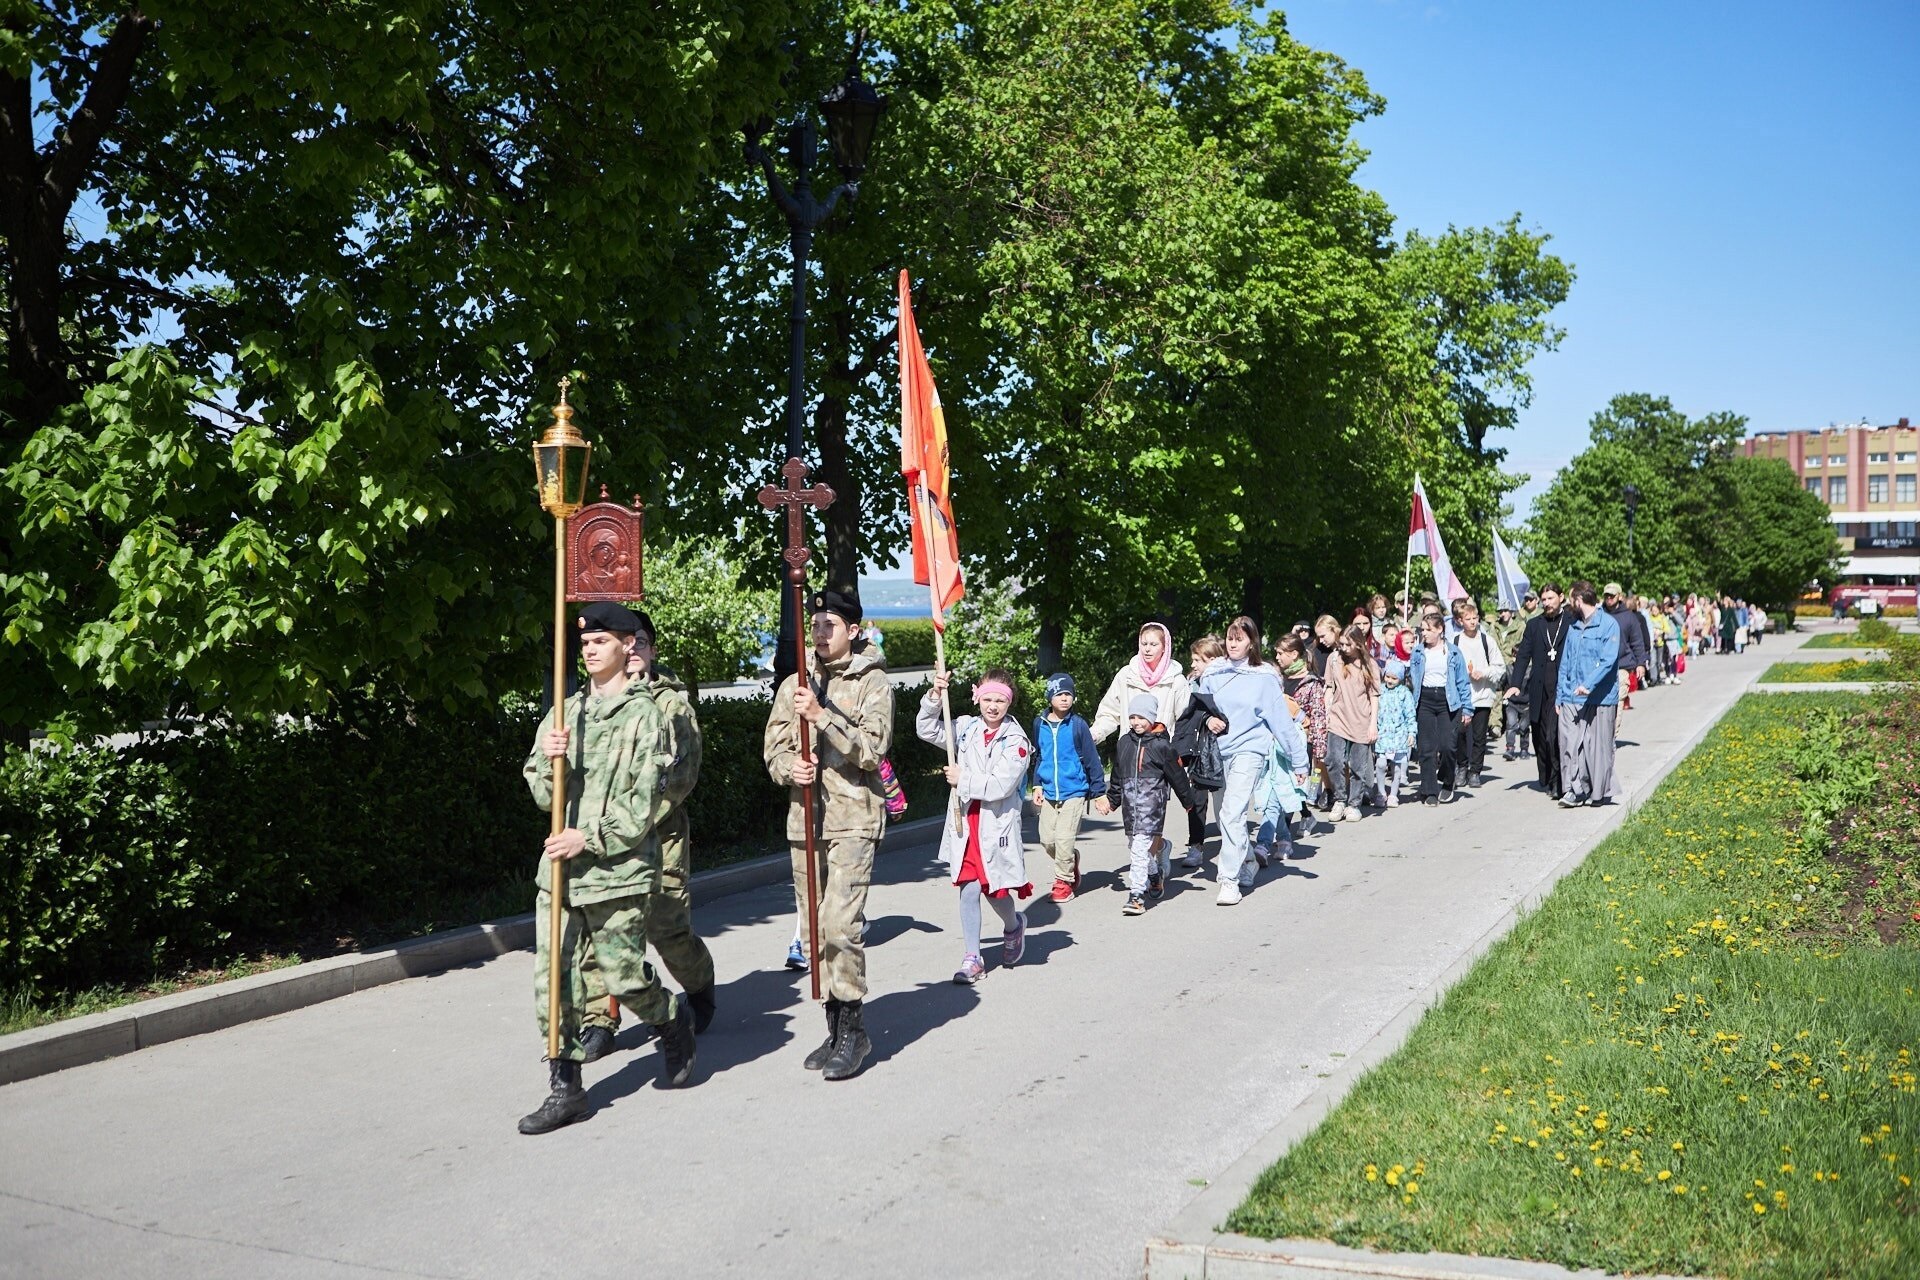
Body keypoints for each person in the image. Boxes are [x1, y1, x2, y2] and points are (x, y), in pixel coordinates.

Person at [518, 601, 696, 1135]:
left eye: (601, 641)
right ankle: (565, 1086)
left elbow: (643, 803)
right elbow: (539, 787)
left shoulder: (647, 715)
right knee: (555, 978)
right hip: (560, 872)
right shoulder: (565, 712)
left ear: (626, 646)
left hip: (616, 868)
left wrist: (588, 836)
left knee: (622, 974)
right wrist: (552, 764)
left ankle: (669, 1018)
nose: (591, 650)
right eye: (586, 643)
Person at [763, 589, 893, 1081]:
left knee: (840, 925)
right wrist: (788, 768)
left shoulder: (872, 682)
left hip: (853, 816)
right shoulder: (796, 682)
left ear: (852, 631)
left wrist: (823, 717)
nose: (819, 632)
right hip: (806, 820)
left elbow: (872, 749)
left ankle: (855, 1031)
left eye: (830, 624)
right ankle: (835, 1028)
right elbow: (773, 746)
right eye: (814, 623)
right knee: (816, 929)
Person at [576, 611, 717, 1064]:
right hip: (601, 841)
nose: (632, 649)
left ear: (652, 649)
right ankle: (599, 1019)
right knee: (597, 930)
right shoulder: (591, 703)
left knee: (666, 929)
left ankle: (698, 983)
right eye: (626, 641)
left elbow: (682, 775)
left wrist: (633, 820)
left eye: (640, 641)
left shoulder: (672, 705)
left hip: (659, 837)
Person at [920, 669, 1033, 984]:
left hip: (994, 825)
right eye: (988, 699)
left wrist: (962, 779)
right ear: (978, 697)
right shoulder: (966, 727)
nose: (993, 706)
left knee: (995, 891)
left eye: (1000, 700)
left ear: (1009, 703)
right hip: (966, 822)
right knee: (969, 889)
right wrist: (934, 696)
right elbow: (927, 729)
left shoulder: (1016, 741)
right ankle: (973, 957)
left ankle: (1013, 927)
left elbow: (1001, 785)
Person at [1194, 617, 1296, 905]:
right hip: (1217, 752)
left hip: (1249, 751)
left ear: (1252, 642)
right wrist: (1208, 718)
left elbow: (1281, 722)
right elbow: (1199, 708)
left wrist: (1299, 762)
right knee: (1227, 816)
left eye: (1239, 638)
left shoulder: (1264, 677)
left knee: (1232, 814)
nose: (1233, 643)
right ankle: (1248, 861)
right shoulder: (1214, 672)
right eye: (1229, 637)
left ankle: (1228, 880)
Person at [1096, 693, 1198, 915]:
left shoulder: (1162, 746)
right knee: (1136, 848)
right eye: (1132, 717)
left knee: (1140, 849)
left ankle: (1136, 896)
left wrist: (1188, 802)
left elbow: (1177, 776)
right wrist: (1113, 800)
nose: (1136, 722)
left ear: (1152, 718)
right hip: (1130, 807)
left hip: (1152, 805)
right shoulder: (1124, 742)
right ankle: (1154, 875)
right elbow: (1117, 775)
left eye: (1141, 717)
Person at [1028, 672, 1105, 901]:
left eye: (1068, 694)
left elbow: (1092, 759)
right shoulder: (1038, 724)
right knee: (1047, 840)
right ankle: (1070, 859)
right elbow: (1039, 756)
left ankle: (1064, 882)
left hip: (1074, 791)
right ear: (1049, 697)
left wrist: (1099, 792)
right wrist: (1037, 785)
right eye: (1059, 694)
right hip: (1050, 791)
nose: (1064, 699)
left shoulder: (1078, 725)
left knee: (1063, 839)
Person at [1556, 581, 1622, 807]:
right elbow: (1565, 663)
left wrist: (1589, 684)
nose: (1569, 603)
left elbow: (1608, 660)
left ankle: (1599, 792)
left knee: (1598, 748)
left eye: (1571, 599)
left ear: (1579, 599)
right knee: (1570, 745)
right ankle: (1574, 790)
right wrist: (1560, 695)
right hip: (1571, 697)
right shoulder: (1574, 627)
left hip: (1601, 697)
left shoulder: (1608, 625)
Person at [1505, 582, 1570, 800]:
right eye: (1544, 599)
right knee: (1540, 737)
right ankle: (1547, 775)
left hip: (1561, 690)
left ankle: (1558, 781)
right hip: (1539, 688)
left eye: (1551, 598)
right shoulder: (1534, 625)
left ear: (1561, 597)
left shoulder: (1571, 622)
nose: (1547, 603)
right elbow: (1523, 655)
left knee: (1553, 736)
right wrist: (1515, 683)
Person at [1172, 636, 1228, 870]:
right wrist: (1205, 719)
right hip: (1198, 750)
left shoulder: (1227, 682)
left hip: (1224, 750)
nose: (1193, 664)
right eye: (1193, 659)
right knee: (1197, 799)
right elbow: (1187, 715)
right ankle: (1196, 845)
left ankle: (1231, 845)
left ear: (1213, 660)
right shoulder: (1190, 685)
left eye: (1198, 660)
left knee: (1223, 801)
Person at [1090, 621, 1190, 745]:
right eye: (1144, 644)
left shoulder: (1177, 680)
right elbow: (1109, 713)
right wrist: (1095, 734)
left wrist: (1178, 756)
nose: (1147, 649)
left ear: (1165, 647)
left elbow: (1185, 722)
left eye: (1153, 644)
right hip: (1130, 752)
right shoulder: (1126, 675)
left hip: (1162, 756)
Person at [1408, 613, 1472, 805]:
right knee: (1426, 749)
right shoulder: (1418, 652)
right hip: (1425, 700)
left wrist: (1467, 709)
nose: (1424, 633)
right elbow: (1413, 678)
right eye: (1422, 629)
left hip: (1448, 701)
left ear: (1439, 630)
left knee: (1447, 746)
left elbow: (1462, 681)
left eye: (1428, 629)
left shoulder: (1453, 652)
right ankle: (1429, 791)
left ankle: (1447, 781)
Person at [1322, 623, 1380, 821]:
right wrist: (1327, 708)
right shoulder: (1334, 660)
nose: (1344, 649)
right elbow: (1329, 686)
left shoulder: (1369, 665)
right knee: (1333, 760)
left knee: (1357, 766)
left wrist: (1373, 724)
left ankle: (1354, 803)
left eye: (1348, 645)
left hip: (1361, 720)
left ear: (1358, 644)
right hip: (1338, 718)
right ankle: (1339, 799)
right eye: (1342, 644)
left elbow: (1374, 696)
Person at [1274, 633, 1331, 815]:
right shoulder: (1278, 680)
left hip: (1300, 742)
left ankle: (1283, 835)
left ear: (1294, 654)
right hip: (1278, 740)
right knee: (1281, 786)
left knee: (1291, 786)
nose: (1277, 657)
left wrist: (1319, 749)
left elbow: (1318, 717)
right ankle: (1305, 817)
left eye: (1281, 653)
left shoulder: (1312, 683)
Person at [1454, 603, 1506, 786]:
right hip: (1462, 696)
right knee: (1460, 733)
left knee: (1479, 735)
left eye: (1475, 618)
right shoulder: (1455, 641)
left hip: (1483, 695)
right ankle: (1461, 766)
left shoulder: (1487, 641)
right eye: (1468, 619)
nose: (1472, 622)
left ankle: (1475, 770)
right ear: (1460, 621)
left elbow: (1500, 667)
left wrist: (1483, 672)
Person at [1373, 659, 1416, 806]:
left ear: (1401, 678)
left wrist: (1412, 733)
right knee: (1380, 763)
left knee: (1397, 766)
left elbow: (1410, 715)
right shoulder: (1380, 690)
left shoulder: (1404, 693)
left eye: (1394, 678)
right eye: (1388, 677)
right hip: (1383, 733)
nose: (1390, 681)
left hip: (1399, 734)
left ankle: (1393, 794)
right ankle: (1380, 792)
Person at [1489, 601, 1528, 759]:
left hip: (1514, 663)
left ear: (1511, 612)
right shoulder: (1495, 627)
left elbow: (1523, 644)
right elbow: (1492, 644)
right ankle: (1496, 724)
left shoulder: (1520, 626)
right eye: (1500, 611)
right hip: (1499, 663)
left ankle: (1522, 743)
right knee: (1498, 694)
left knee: (1515, 696)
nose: (1502, 613)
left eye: (1505, 610)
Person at [1603, 583, 1648, 710]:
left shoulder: (1629, 617)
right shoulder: (1599, 615)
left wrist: (1640, 663)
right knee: (1605, 708)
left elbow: (1637, 642)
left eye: (1612, 595)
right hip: (1603, 667)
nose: (1609, 598)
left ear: (1620, 597)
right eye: (1606, 596)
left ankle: (1614, 729)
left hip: (1622, 665)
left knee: (1617, 703)